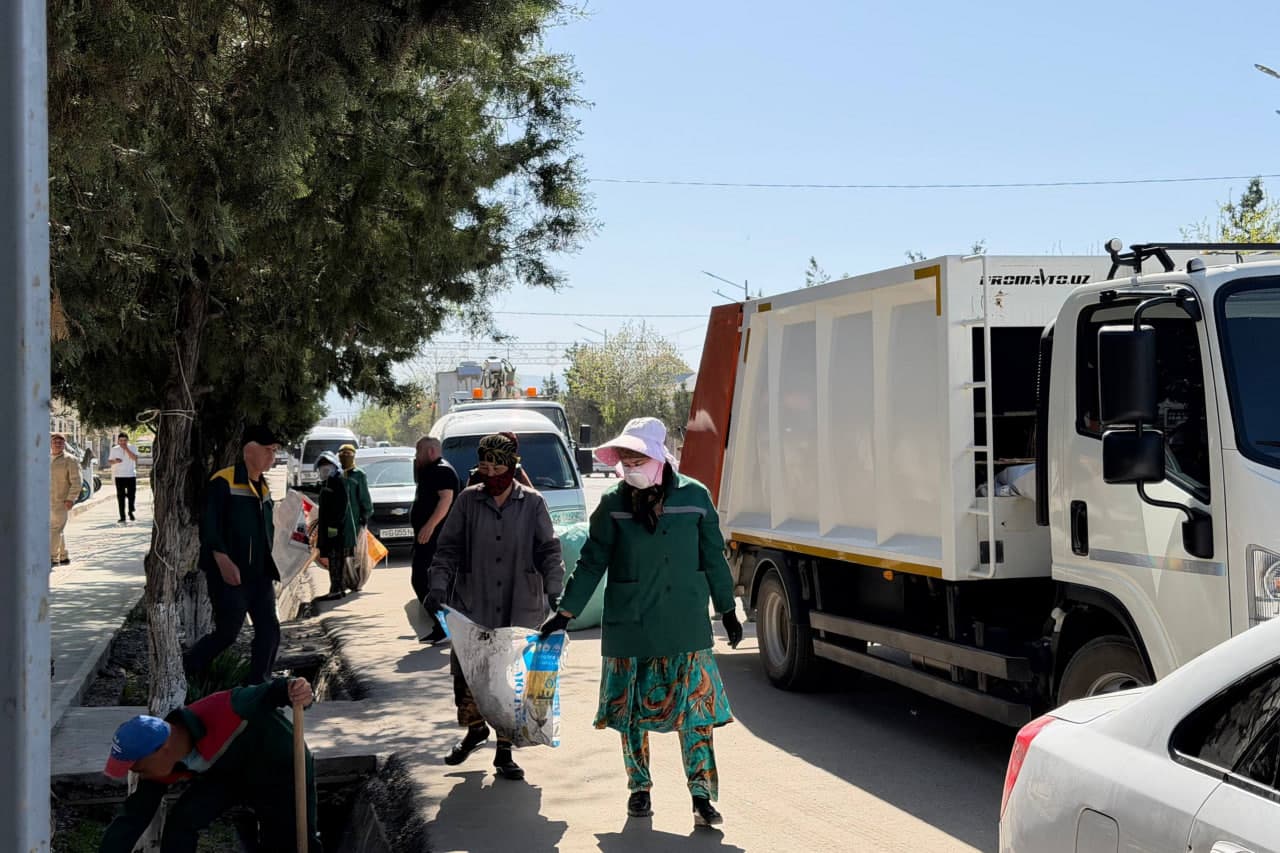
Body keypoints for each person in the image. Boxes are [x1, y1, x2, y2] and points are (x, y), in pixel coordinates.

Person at [540, 416, 743, 827]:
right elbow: (593, 560)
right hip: (630, 627)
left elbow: (713, 558)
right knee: (632, 717)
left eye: (637, 458)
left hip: (685, 627)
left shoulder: (694, 497)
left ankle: (701, 796)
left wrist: (727, 609)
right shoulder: (614, 503)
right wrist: (564, 613)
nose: (630, 466)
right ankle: (639, 789)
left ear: (658, 457)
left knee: (696, 717)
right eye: (626, 459)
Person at [424, 432, 565, 781]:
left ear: (511, 467)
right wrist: (438, 585)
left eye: (496, 466)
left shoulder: (532, 503)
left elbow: (549, 549)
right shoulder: (468, 501)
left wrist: (555, 589)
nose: (489, 473)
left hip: (519, 604)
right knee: (467, 675)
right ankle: (475, 730)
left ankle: (504, 753)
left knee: (508, 682)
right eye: (483, 466)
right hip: (473, 603)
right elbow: (448, 549)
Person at [97, 676, 321, 853]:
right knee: (181, 824)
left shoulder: (224, 708)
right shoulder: (160, 766)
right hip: (228, 776)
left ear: (161, 749)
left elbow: (274, 691)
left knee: (290, 840)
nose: (142, 776)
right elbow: (131, 819)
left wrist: (295, 688)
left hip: (280, 767)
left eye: (140, 769)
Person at [184, 425, 282, 685]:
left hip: (259, 573)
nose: (273, 456)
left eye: (275, 451)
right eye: (268, 450)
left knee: (270, 630)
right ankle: (185, 670)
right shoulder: (224, 481)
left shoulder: (263, 487)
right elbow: (210, 524)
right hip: (229, 573)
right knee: (228, 632)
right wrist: (222, 559)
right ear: (250, 451)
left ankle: (258, 686)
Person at [410, 436, 459, 643]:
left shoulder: (442, 470)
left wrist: (429, 526)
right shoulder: (432, 470)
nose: (416, 457)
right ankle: (441, 626)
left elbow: (446, 499)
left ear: (430, 451)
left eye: (418, 452)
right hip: (428, 538)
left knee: (423, 580)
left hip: (436, 539)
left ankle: (445, 626)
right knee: (422, 580)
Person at [313, 451, 351, 601]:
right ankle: (338, 588)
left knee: (335, 557)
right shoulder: (327, 483)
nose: (324, 471)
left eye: (327, 468)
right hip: (329, 527)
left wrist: (334, 526)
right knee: (333, 556)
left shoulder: (338, 483)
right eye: (322, 469)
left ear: (334, 468)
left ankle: (336, 590)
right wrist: (297, 488)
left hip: (334, 528)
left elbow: (342, 507)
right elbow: (317, 490)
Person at [337, 443, 373, 588]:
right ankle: (343, 581)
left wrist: (365, 515)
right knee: (341, 554)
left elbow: (365, 498)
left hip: (355, 523)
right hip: (339, 522)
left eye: (348, 455)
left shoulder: (359, 475)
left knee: (356, 554)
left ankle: (356, 581)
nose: (345, 457)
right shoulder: (337, 474)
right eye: (342, 455)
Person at [49, 433, 81, 568]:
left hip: (61, 501)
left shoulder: (70, 460)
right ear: (50, 443)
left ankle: (52, 558)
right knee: (56, 529)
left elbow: (77, 482)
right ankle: (63, 556)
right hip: (46, 501)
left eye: (61, 442)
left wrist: (70, 499)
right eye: (55, 442)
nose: (58, 444)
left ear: (64, 444)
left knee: (55, 529)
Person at [108, 431, 140, 524]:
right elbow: (110, 461)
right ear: (118, 441)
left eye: (125, 440)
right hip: (119, 475)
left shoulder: (132, 447)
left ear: (127, 440)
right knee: (120, 497)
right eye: (121, 440)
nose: (123, 442)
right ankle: (122, 516)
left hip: (131, 475)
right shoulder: (114, 449)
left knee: (131, 495)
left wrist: (126, 449)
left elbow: (135, 459)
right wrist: (115, 461)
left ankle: (131, 511)